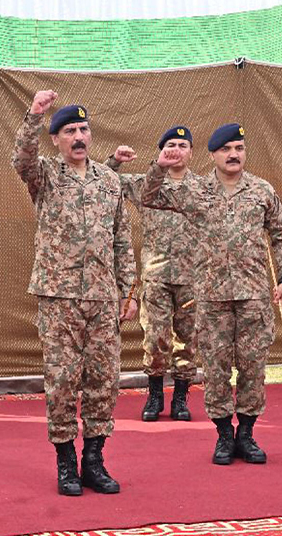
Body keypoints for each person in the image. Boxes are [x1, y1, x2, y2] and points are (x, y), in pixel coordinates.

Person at [145, 123, 282, 466]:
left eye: (239, 148)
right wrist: (161, 165)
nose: (233, 155)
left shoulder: (261, 191)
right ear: (213, 155)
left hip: (254, 297)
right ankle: (224, 436)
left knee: (252, 367)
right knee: (215, 369)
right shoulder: (196, 191)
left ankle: (247, 433)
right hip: (211, 298)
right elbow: (150, 196)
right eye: (226, 149)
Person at [12, 91, 137, 496]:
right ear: (56, 139)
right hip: (58, 296)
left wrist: (128, 291)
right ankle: (66, 462)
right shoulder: (45, 175)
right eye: (69, 131)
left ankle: (95, 461)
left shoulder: (108, 181)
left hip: (102, 297)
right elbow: (21, 159)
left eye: (83, 129)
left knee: (103, 380)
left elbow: (122, 239)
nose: (79, 137)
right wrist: (35, 114)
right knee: (63, 380)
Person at [107, 127, 200, 421]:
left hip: (192, 278)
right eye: (170, 144)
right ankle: (155, 395)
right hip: (156, 276)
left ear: (191, 152)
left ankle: (182, 399)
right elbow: (104, 183)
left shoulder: (204, 187)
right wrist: (115, 161)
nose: (176, 149)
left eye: (182, 145)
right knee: (155, 338)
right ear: (160, 151)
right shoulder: (146, 183)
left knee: (188, 339)